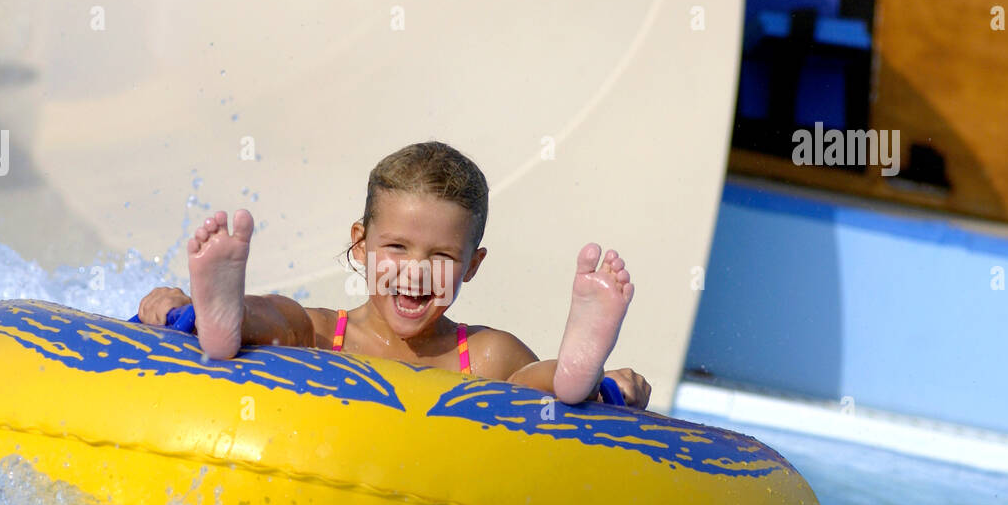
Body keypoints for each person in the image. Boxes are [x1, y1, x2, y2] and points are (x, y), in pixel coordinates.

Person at [137, 141, 650, 407]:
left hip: (502, 382)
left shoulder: (482, 354)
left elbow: (525, 398)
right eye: (397, 247)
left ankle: (578, 378)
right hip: (310, 334)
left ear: (472, 265)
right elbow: (293, 322)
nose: (416, 273)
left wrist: (612, 385)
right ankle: (219, 316)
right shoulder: (322, 334)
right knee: (285, 322)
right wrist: (173, 306)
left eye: (442, 257)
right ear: (360, 244)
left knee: (524, 381)